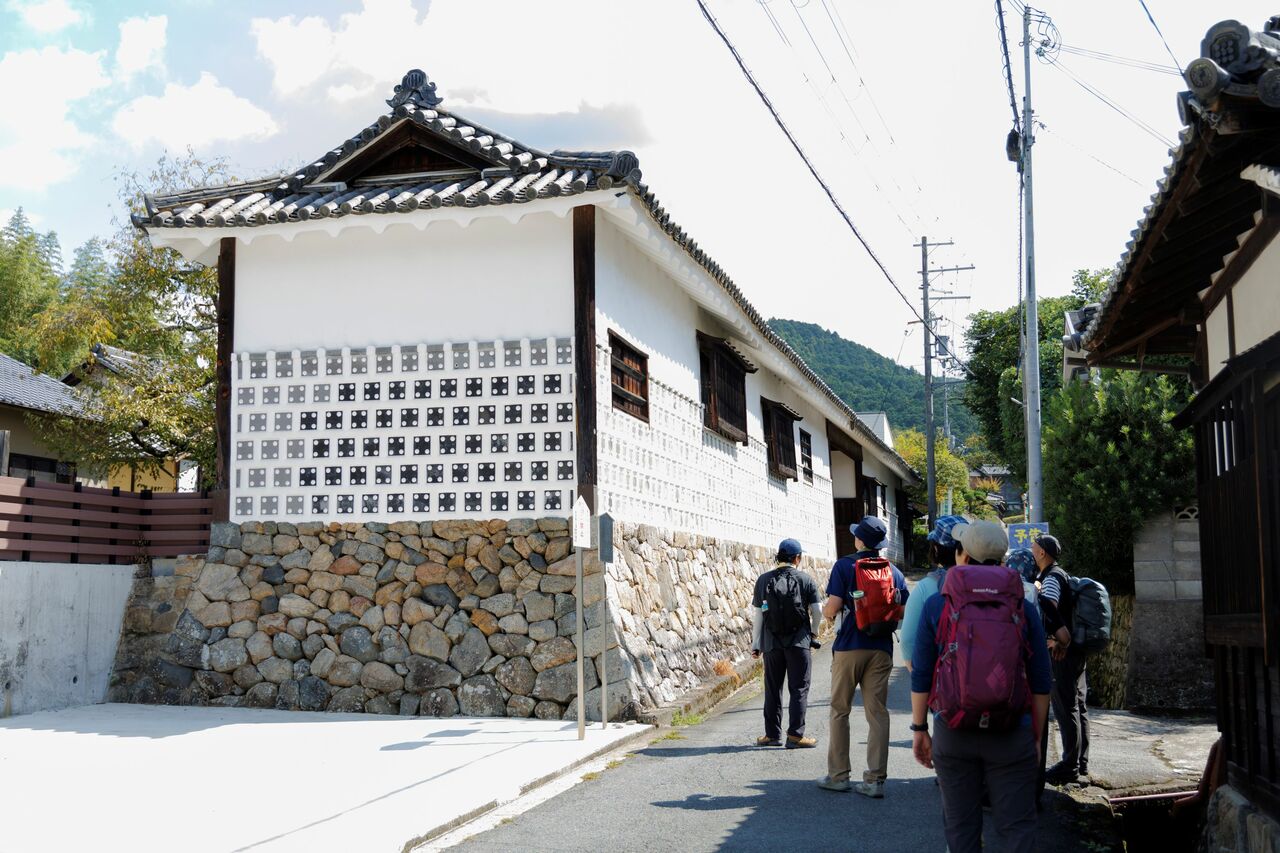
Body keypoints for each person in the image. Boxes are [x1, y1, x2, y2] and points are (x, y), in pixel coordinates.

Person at [910, 520, 1053, 853]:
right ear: (1003, 558)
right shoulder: (1023, 605)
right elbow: (1041, 680)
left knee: (961, 829)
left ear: (962, 556)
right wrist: (1034, 736)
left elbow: (921, 674)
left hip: (954, 730)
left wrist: (920, 728)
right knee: (1017, 828)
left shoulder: (939, 604)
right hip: (1011, 730)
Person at [818, 516, 908, 797]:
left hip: (848, 647)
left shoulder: (845, 566)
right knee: (878, 714)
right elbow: (902, 611)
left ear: (859, 540)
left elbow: (832, 609)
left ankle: (839, 776)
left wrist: (825, 612)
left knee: (840, 711)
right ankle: (874, 781)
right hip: (881, 649)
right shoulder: (893, 571)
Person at [751, 538, 823, 748]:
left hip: (771, 643)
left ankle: (772, 736)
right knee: (799, 688)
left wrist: (756, 644)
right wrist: (814, 634)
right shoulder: (806, 579)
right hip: (799, 642)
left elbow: (758, 615)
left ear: (779, 557)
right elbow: (817, 610)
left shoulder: (763, 580)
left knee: (773, 688)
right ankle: (795, 735)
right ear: (797, 558)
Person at [1034, 534, 1090, 785]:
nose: (1032, 549)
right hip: (1076, 649)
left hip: (1062, 651)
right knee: (1079, 706)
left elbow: (1049, 606)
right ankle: (1080, 763)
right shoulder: (1060, 573)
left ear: (1043, 552)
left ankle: (1069, 766)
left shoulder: (1052, 577)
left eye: (1035, 546)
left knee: (1066, 707)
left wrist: (1058, 639)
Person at [900, 514, 966, 672]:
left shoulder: (926, 587)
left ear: (936, 548)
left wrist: (919, 677)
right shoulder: (988, 583)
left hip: (944, 679)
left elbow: (908, 640)